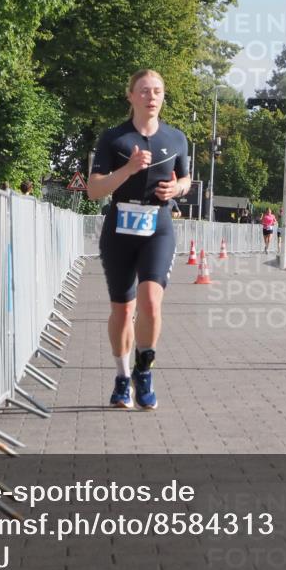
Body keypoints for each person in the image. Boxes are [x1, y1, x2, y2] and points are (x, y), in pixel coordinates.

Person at [87, 69, 191, 410]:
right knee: (123, 308)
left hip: (157, 228)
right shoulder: (114, 139)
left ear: (164, 97)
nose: (152, 96)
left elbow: (187, 180)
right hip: (119, 229)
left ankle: (143, 371)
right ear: (131, 96)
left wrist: (176, 188)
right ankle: (121, 376)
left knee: (150, 302)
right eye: (144, 91)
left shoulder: (176, 139)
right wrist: (128, 170)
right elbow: (94, 190)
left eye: (158, 91)